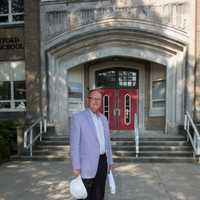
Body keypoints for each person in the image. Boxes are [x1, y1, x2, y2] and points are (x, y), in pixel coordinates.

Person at [70, 89, 113, 200]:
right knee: (85, 195)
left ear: (101, 102)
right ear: (88, 100)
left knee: (99, 194)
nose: (95, 101)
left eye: (98, 99)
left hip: (103, 162)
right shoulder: (78, 118)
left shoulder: (104, 119)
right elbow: (74, 145)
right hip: (86, 165)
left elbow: (107, 142)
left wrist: (110, 161)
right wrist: (76, 166)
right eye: (93, 98)